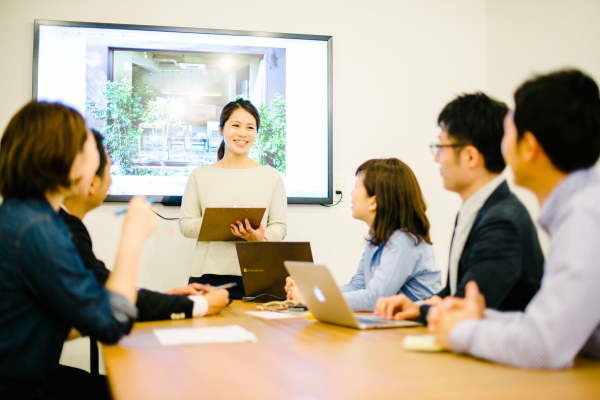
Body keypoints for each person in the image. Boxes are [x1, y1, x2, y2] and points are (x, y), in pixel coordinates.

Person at [427, 69, 600, 369]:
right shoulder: (582, 205)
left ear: (529, 147)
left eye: (507, 134)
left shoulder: (585, 215)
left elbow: (544, 347)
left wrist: (459, 331)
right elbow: (568, 329)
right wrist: (482, 319)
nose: (501, 148)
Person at [0, 101, 157, 399]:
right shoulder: (38, 229)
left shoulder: (20, 215)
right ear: (70, 162)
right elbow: (112, 322)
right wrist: (133, 237)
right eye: (93, 154)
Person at [375, 93, 544, 323]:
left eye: (441, 147)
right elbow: (455, 291)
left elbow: (470, 305)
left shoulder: (503, 220)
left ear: (470, 156)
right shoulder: (475, 209)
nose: (437, 159)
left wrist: (420, 311)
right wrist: (418, 305)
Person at [61, 130, 229, 321]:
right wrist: (202, 304)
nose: (111, 180)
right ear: (91, 181)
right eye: (109, 170)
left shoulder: (60, 223)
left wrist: (167, 299)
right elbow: (115, 304)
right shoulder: (59, 230)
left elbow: (112, 291)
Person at [286, 158, 441, 312]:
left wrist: (313, 299)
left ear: (373, 202)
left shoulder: (404, 240)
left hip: (419, 329)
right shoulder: (376, 236)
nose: (351, 193)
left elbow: (375, 299)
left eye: (356, 187)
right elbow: (358, 285)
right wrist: (313, 294)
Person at [179, 99, 287, 299]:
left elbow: (280, 226)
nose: (243, 133)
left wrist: (260, 238)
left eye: (250, 127)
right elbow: (185, 224)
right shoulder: (200, 175)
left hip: (257, 272)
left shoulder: (271, 176)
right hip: (208, 274)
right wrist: (215, 223)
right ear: (221, 130)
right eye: (235, 125)